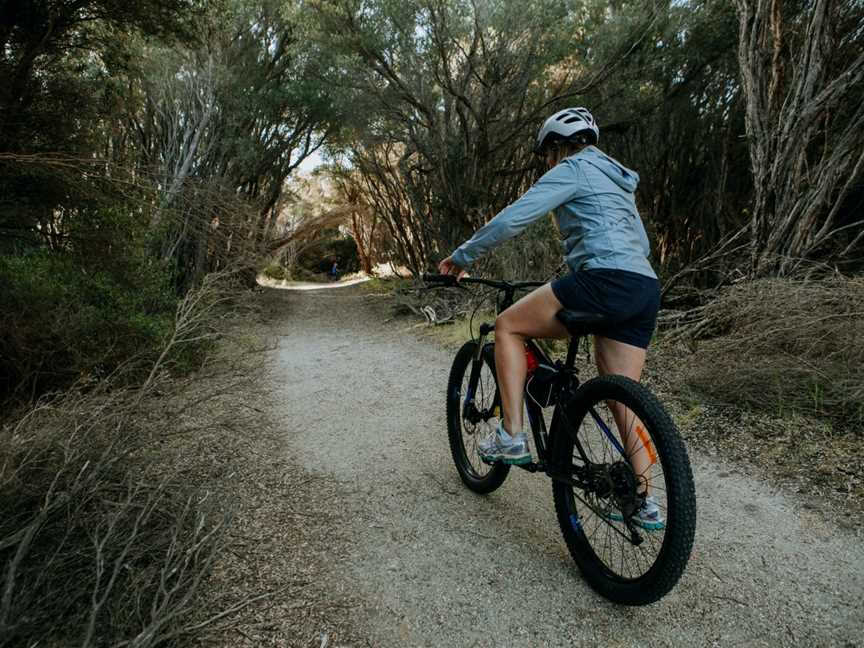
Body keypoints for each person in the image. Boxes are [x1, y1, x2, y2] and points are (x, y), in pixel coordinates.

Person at [438, 107, 663, 530]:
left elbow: (515, 218)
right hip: (644, 288)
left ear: (557, 147)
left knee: (507, 325)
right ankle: (645, 500)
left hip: (604, 278)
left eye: (547, 154)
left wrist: (462, 256)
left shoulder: (574, 167)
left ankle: (511, 436)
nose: (547, 162)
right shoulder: (619, 179)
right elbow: (640, 243)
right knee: (623, 399)